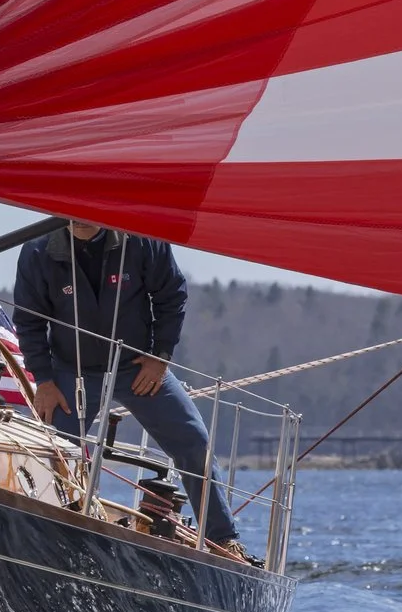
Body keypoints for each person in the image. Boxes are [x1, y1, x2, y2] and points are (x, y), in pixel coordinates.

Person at [13, 220, 241, 552]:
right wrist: (43, 380)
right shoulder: (37, 251)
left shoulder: (142, 237)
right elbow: (29, 321)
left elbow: (171, 295)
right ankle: (44, 538)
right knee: (51, 453)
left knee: (194, 441)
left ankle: (223, 537)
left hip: (136, 367)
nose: (80, 216)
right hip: (69, 372)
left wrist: (160, 356)